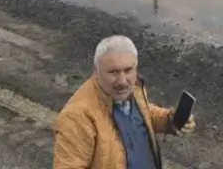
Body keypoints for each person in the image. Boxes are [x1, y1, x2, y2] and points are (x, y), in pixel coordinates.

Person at [53, 35, 196, 169]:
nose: (122, 81)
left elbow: (143, 113)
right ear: (96, 71)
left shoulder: (134, 88)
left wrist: (168, 120)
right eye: (113, 72)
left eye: (128, 70)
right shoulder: (76, 117)